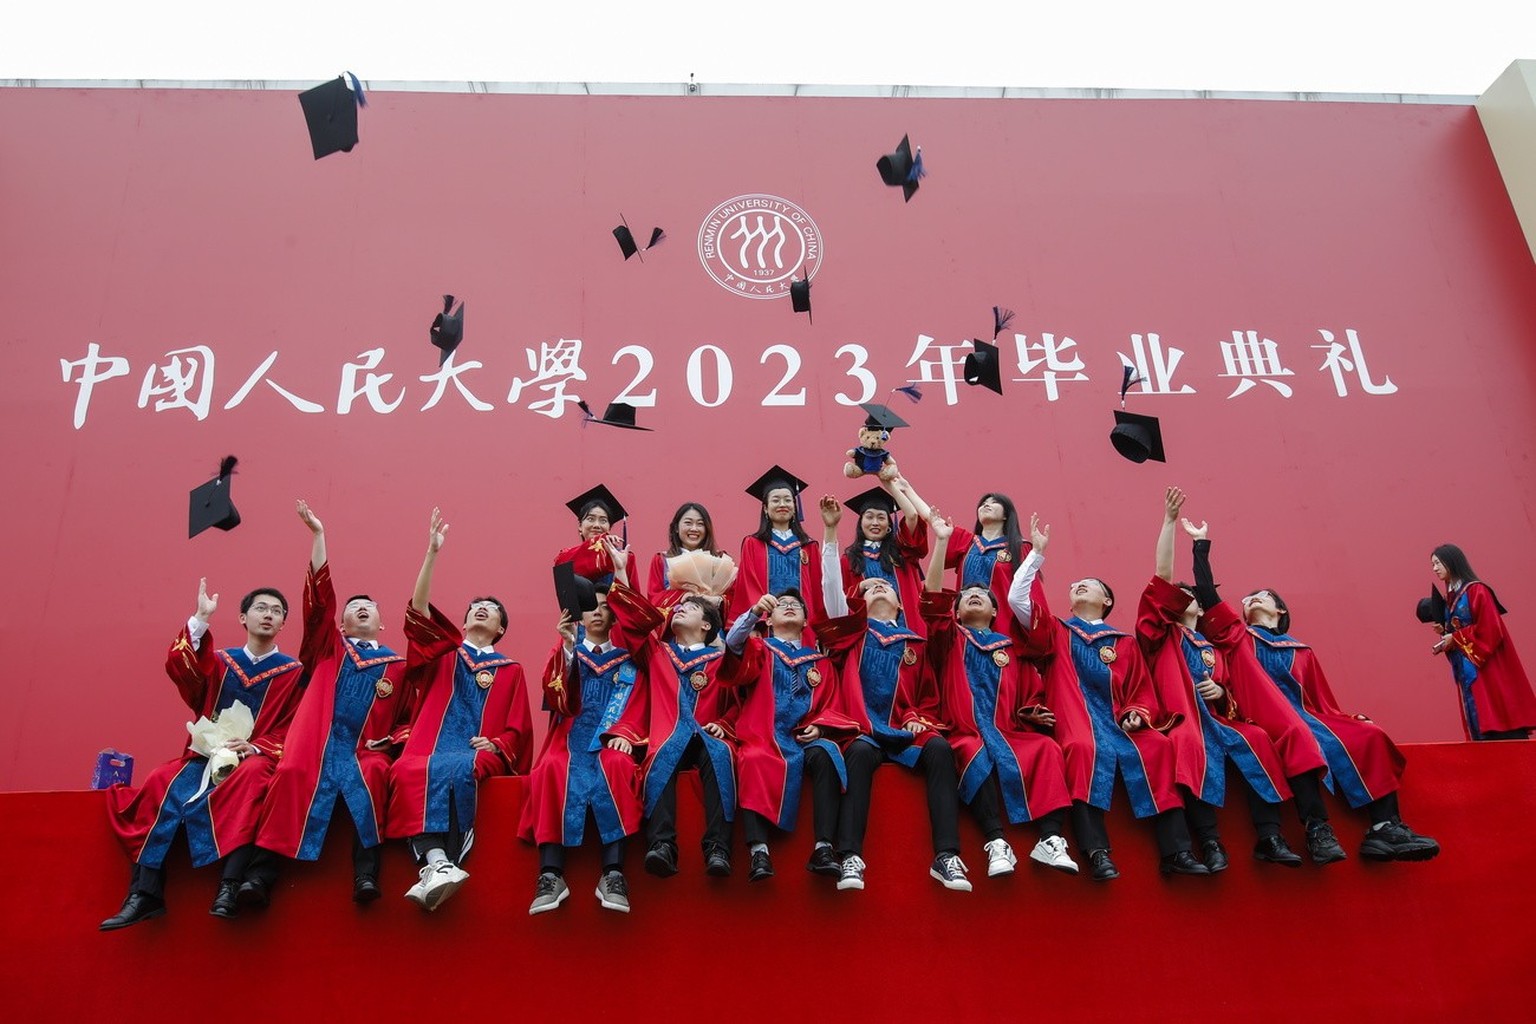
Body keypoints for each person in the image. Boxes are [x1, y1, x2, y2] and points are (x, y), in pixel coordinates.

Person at [1010, 514, 1210, 880]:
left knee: (1159, 747)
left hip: (1120, 723)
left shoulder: (1125, 644)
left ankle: (1176, 851)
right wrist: (1036, 555)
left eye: (1088, 584)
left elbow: (1140, 691)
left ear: (1107, 600)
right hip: (1076, 720)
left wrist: (1137, 712)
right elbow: (1016, 599)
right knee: (1083, 749)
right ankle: (1096, 851)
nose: (1078, 587)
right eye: (1074, 586)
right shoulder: (1056, 631)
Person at [101, 580, 304, 929]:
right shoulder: (221, 663)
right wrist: (201, 618)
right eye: (261, 608)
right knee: (162, 779)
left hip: (257, 761)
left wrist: (256, 746)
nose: (268, 615)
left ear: (283, 624)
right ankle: (145, 893)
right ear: (243, 617)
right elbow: (183, 670)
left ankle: (229, 885)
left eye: (276, 611)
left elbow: (297, 726)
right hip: (205, 759)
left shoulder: (294, 674)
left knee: (252, 776)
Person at [250, 501, 413, 905]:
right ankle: (259, 877)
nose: (361, 608)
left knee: (375, 774)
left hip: (363, 752)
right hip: (316, 748)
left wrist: (392, 739)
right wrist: (319, 537)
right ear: (341, 624)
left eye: (369, 606)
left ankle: (366, 875)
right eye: (353, 607)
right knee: (289, 773)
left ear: (381, 621)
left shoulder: (399, 667)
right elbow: (319, 604)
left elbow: (412, 718)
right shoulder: (327, 649)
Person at [1136, 489, 1302, 872]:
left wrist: (1222, 691)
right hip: (1180, 719)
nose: (1182, 596)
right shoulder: (1160, 637)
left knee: (1256, 737)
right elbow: (1161, 576)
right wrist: (1169, 522)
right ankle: (1210, 842)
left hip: (1218, 719)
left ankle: (1270, 836)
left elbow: (1234, 694)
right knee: (1188, 744)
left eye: (1187, 594)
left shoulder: (1213, 646)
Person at [816, 495, 972, 891]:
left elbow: (925, 695)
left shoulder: (915, 643)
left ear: (902, 604)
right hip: (863, 726)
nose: (880, 588)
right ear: (859, 604)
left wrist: (918, 716)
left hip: (905, 728)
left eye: (887, 585)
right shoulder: (851, 635)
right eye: (871, 587)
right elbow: (831, 588)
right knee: (862, 753)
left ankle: (947, 855)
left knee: (938, 748)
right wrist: (831, 530)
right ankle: (850, 856)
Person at [385, 508, 533, 911]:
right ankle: (437, 864)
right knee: (405, 769)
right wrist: (432, 553)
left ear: (501, 627)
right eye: (475, 606)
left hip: (473, 750)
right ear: (464, 621)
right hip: (428, 745)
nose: (481, 609)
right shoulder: (442, 654)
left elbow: (519, 727)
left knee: (458, 769)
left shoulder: (510, 669)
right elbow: (417, 615)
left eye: (491, 607)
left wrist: (498, 742)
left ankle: (438, 865)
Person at [1231, 585, 1440, 861]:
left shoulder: (1301, 651)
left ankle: (1384, 827)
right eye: (1247, 600)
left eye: (1264, 595)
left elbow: (1321, 702)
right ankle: (1317, 830)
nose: (1253, 598)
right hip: (1264, 716)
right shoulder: (1240, 640)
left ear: (1280, 609)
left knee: (1369, 734)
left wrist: (1349, 721)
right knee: (1302, 737)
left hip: (1308, 716)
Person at [922, 513, 1078, 877]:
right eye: (966, 596)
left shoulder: (1011, 649)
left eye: (982, 595)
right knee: (971, 751)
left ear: (995, 611)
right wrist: (942, 541)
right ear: (956, 612)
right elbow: (931, 598)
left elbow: (1030, 692)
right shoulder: (950, 638)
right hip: (965, 731)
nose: (973, 596)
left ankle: (1050, 839)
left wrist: (1032, 711)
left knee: (1046, 748)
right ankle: (996, 842)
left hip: (1007, 730)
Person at [521, 536, 651, 914]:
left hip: (610, 738)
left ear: (613, 613)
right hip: (569, 737)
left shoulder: (628, 658)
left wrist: (625, 735)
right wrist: (565, 647)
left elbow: (642, 700)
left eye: (603, 607)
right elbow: (556, 697)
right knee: (550, 769)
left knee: (616, 766)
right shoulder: (567, 649)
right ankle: (550, 875)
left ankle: (613, 874)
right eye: (588, 608)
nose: (596, 613)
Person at [717, 588, 862, 883]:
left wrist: (821, 726)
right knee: (753, 757)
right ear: (769, 621)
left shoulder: (819, 662)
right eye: (782, 604)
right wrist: (755, 611)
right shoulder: (759, 649)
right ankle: (759, 850)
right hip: (764, 733)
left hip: (803, 736)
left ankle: (823, 848)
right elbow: (732, 645)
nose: (789, 606)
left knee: (827, 754)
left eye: (796, 605)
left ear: (807, 622)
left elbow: (831, 702)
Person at [607, 582, 737, 878]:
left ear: (706, 624)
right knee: (663, 753)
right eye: (678, 607)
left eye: (689, 608)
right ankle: (662, 845)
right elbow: (635, 624)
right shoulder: (659, 653)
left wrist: (723, 724)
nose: (678, 609)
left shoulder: (721, 662)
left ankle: (718, 847)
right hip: (667, 735)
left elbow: (738, 704)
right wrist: (619, 572)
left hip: (706, 735)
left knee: (720, 753)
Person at [1428, 543, 1536, 740]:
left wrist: (1456, 638)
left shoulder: (1477, 591)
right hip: (1468, 666)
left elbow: (1491, 630)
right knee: (1476, 717)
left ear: (1451, 562)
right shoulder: (1451, 597)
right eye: (1433, 565)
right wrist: (1445, 634)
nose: (1434, 569)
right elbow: (1458, 630)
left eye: (1437, 563)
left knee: (1495, 714)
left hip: (1487, 667)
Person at [734, 466, 827, 631]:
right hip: (767, 627)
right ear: (765, 508)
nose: (782, 504)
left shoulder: (809, 546)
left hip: (802, 628)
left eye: (788, 499)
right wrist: (756, 623)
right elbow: (748, 587)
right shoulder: (753, 543)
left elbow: (817, 593)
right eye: (775, 500)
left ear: (794, 506)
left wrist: (816, 627)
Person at [841, 476, 932, 637]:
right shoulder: (848, 560)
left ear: (889, 525)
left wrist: (888, 483)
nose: (875, 522)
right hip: (867, 638)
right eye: (869, 517)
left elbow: (912, 516)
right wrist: (861, 587)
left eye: (881, 517)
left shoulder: (902, 552)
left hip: (909, 629)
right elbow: (838, 600)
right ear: (860, 523)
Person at [942, 492, 1033, 637]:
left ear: (1006, 515)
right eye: (983, 503)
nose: (986, 505)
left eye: (993, 502)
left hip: (1005, 628)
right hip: (965, 629)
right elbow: (932, 518)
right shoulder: (967, 543)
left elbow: (1030, 593)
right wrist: (903, 486)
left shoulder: (1020, 547)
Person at [646, 502, 735, 621]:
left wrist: (719, 601)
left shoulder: (720, 559)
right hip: (677, 631)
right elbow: (654, 598)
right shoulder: (663, 560)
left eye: (700, 524)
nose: (694, 529)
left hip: (713, 630)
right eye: (688, 523)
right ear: (676, 528)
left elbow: (736, 598)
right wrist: (683, 596)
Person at [555, 483, 640, 585]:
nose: (597, 525)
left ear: (609, 528)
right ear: (580, 527)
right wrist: (600, 542)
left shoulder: (625, 557)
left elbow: (633, 597)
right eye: (590, 519)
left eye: (603, 521)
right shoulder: (566, 556)